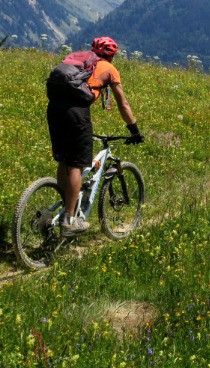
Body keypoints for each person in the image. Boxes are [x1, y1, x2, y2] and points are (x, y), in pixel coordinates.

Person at [46, 36, 143, 236]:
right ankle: (70, 220)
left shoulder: (80, 62)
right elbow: (122, 104)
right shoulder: (109, 68)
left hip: (54, 109)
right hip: (77, 113)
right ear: (112, 55)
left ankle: (66, 205)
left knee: (64, 160)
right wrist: (134, 130)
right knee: (77, 164)